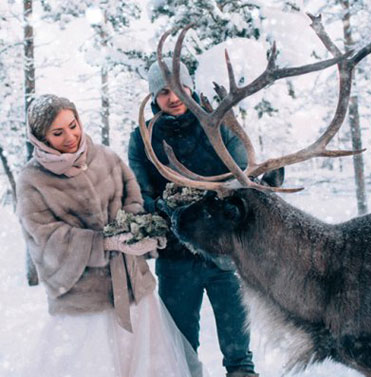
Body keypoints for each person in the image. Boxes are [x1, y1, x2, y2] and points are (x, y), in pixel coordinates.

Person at [16, 94, 207, 377]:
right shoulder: (32, 180)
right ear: (40, 138)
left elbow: (133, 198)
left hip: (132, 288)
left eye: (73, 125)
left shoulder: (105, 156)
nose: (70, 136)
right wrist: (99, 243)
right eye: (58, 133)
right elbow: (45, 237)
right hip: (85, 299)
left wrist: (137, 231)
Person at [128, 59, 259, 377]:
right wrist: (165, 209)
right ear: (153, 97)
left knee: (239, 353)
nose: (172, 97)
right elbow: (139, 193)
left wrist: (227, 208)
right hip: (176, 257)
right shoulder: (144, 137)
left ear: (190, 87)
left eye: (178, 88)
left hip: (225, 254)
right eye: (162, 92)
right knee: (181, 350)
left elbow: (243, 180)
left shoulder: (221, 124)